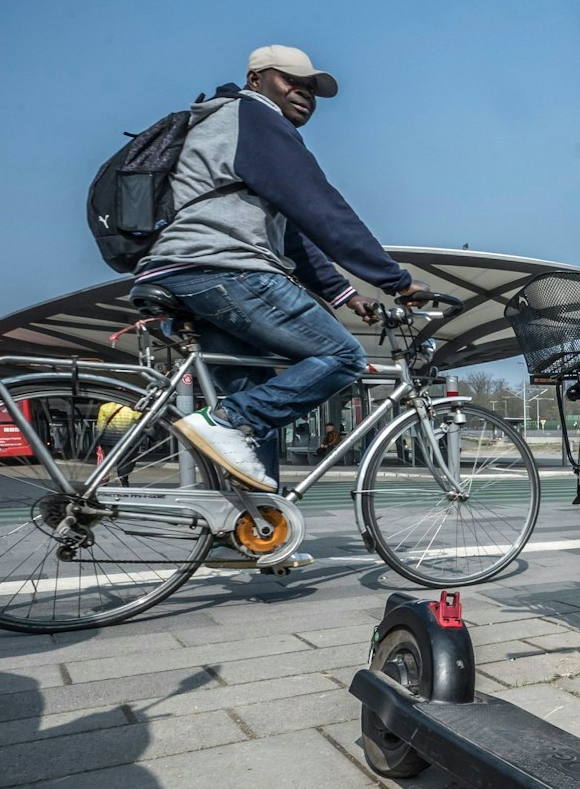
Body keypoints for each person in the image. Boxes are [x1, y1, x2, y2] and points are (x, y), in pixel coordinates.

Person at [137, 44, 429, 491]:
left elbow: (291, 232)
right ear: (256, 80)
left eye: (311, 88)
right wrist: (397, 281)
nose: (304, 92)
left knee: (256, 407)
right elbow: (320, 208)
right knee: (341, 356)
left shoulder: (234, 125)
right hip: (223, 267)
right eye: (291, 80)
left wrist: (345, 293)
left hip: (190, 270)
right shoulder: (255, 118)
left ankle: (255, 531)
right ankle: (225, 421)